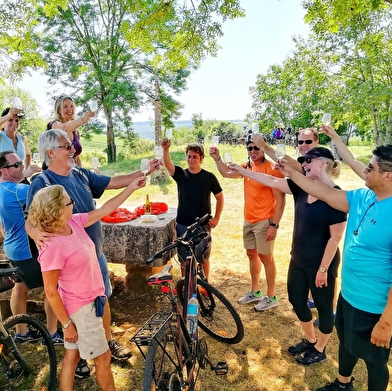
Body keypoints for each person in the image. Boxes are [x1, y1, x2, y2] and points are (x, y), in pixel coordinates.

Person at [25, 129, 160, 373]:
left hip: (93, 254)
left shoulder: (80, 173)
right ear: (51, 152)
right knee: (72, 306)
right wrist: (35, 233)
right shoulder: (41, 183)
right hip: (69, 264)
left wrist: (143, 172)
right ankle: (75, 354)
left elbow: (113, 183)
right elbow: (31, 219)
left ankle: (106, 343)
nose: (73, 150)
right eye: (67, 146)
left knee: (102, 298)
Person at [279, 146, 392, 391]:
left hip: (375, 306)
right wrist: (293, 173)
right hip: (348, 296)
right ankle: (343, 384)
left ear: (388, 176)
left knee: (374, 360)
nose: (365, 170)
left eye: (370, 167)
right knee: (346, 344)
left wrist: (386, 323)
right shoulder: (363, 197)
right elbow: (323, 191)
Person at [229, 147, 346, 365]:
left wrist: (323, 269)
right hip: (298, 258)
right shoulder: (301, 187)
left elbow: (335, 238)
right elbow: (270, 180)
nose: (304, 164)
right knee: (296, 300)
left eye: (308, 160)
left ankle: (320, 348)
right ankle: (311, 339)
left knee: (323, 306)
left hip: (321, 264)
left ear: (323, 163)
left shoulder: (335, 196)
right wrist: (242, 171)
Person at [27, 177, 146, 390]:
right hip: (81, 309)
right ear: (56, 209)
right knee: (103, 358)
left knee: (72, 358)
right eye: (68, 201)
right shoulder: (52, 245)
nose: (73, 203)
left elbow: (105, 209)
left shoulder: (72, 223)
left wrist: (130, 188)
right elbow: (50, 291)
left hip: (91, 301)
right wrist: (67, 324)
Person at [210, 137, 286, 311]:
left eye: (256, 149)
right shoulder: (247, 166)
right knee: (252, 255)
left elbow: (280, 201)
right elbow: (226, 173)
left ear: (264, 150)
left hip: (265, 221)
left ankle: (272, 296)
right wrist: (217, 158)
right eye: (249, 148)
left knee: (266, 258)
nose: (252, 152)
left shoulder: (271, 169)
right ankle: (255, 291)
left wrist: (274, 226)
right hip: (248, 220)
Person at [0, 151, 59, 342]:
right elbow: (49, 195)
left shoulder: (3, 189)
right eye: (16, 165)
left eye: (20, 163)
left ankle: (21, 333)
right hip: (26, 250)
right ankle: (51, 333)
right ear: (3, 170)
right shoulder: (18, 191)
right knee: (52, 287)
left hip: (11, 247)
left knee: (20, 287)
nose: (21, 167)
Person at [161, 140, 224, 280]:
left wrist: (217, 218)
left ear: (201, 158)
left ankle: (205, 284)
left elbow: (220, 198)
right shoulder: (180, 174)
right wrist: (166, 149)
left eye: (195, 156)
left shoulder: (209, 177)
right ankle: (186, 286)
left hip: (203, 224)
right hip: (183, 224)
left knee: (203, 257)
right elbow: (168, 164)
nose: (191, 159)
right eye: (189, 156)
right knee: (184, 259)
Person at [46, 95, 95, 167]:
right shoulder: (53, 125)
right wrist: (83, 120)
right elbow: (64, 128)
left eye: (72, 106)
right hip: (53, 175)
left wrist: (81, 173)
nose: (70, 109)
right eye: (65, 107)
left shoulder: (75, 131)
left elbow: (77, 158)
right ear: (58, 110)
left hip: (71, 173)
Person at [0, 107, 41, 180]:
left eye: (17, 120)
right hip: (3, 181)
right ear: (4, 122)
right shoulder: (1, 137)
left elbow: (28, 155)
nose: (14, 123)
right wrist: (8, 115)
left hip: (21, 179)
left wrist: (26, 171)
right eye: (10, 120)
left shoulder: (22, 139)